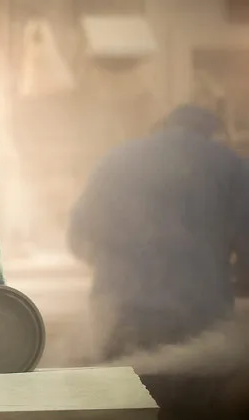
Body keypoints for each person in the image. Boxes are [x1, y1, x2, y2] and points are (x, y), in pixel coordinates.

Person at [67, 96, 249, 417]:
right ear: (211, 132)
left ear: (162, 126)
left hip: (120, 316)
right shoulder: (231, 166)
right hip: (199, 322)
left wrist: (119, 269)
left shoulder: (117, 159)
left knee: (126, 409)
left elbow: (78, 238)